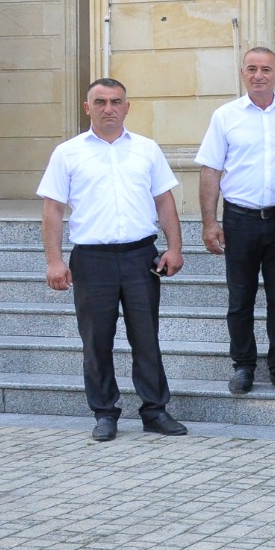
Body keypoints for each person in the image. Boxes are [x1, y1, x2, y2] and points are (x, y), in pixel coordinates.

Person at [38, 78, 188, 442]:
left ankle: (155, 410)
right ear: (87, 107)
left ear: (127, 106)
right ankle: (105, 412)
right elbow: (53, 210)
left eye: (116, 101)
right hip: (93, 260)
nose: (109, 108)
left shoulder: (147, 149)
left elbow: (164, 201)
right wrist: (54, 261)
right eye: (101, 102)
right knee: (96, 340)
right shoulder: (67, 153)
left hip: (141, 256)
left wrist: (175, 248)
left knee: (146, 338)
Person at [196, 47, 275, 395]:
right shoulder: (225, 116)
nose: (258, 75)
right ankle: (243, 365)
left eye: (266, 69)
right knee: (240, 298)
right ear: (243, 73)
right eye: (251, 69)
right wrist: (210, 222)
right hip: (240, 220)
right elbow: (211, 169)